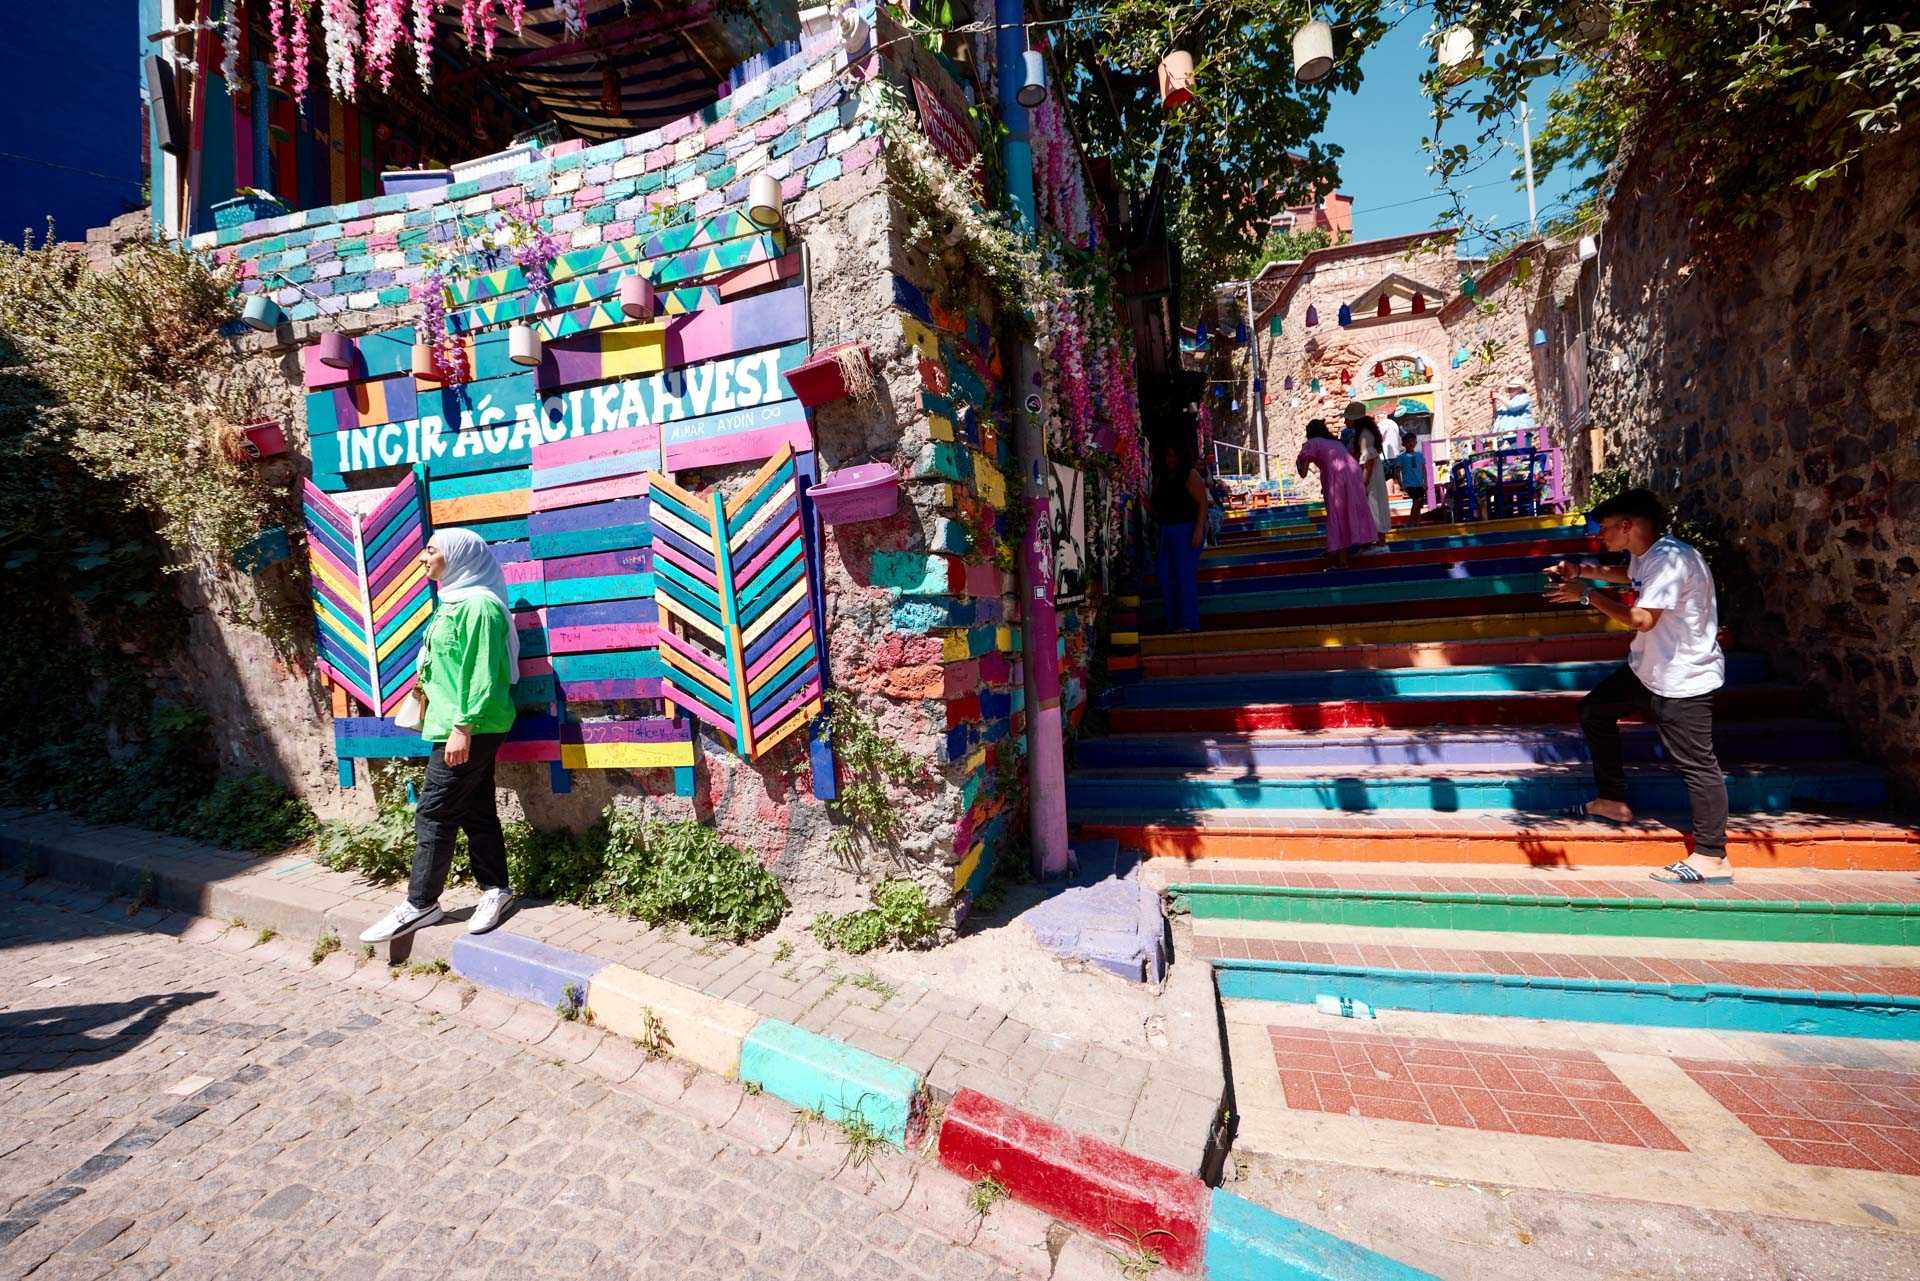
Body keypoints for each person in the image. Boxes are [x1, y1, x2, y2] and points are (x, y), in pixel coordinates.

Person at [1545, 488, 1731, 885]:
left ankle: (1713, 856)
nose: (1600, 536)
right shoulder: (1648, 555)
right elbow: (1629, 575)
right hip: (1649, 668)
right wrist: (1582, 570)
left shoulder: (1671, 561)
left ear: (1628, 526)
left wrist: (1587, 596)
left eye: (1606, 528)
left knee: (1697, 764)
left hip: (1683, 676)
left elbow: (1642, 619)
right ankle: (1612, 801)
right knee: (1595, 711)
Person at [361, 529, 522, 943]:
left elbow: (484, 673)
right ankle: (496, 889)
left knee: (433, 812)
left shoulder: (481, 607)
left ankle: (421, 904)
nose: (422, 558)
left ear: (459, 556)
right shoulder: (452, 601)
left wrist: (462, 728)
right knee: (475, 809)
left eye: (431, 550)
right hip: (455, 724)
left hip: (473, 726)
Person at [1295, 419, 1373, 570]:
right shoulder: (1335, 443)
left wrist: (1298, 463)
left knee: (1337, 515)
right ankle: (1345, 552)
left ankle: (1339, 559)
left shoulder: (1311, 444)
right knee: (1346, 513)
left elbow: (1303, 473)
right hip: (1353, 474)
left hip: (1336, 477)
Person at [1151, 440, 1209, 632]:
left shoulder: (1190, 474)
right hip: (1167, 531)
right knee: (1166, 576)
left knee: (1184, 577)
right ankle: (1174, 623)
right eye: (1168, 455)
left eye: (1174, 455)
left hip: (1186, 530)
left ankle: (1188, 624)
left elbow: (1202, 503)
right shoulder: (1163, 477)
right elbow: (1159, 509)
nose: (1171, 459)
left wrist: (1199, 529)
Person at [1345, 403, 1391, 543]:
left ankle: (1379, 543)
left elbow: (1368, 463)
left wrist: (1363, 484)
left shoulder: (1364, 435)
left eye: (1348, 418)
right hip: (1372, 475)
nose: (1345, 421)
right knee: (1375, 507)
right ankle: (1376, 542)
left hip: (1370, 478)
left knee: (1374, 506)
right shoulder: (1364, 433)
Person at [1393, 430, 1428, 523]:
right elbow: (1397, 472)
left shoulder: (1420, 455)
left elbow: (1424, 469)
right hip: (1409, 484)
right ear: (1403, 444)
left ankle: (1416, 522)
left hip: (1420, 483)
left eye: (1413, 441)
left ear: (1416, 442)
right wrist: (1401, 484)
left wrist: (1426, 482)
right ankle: (1411, 522)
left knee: (1419, 503)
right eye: (1408, 441)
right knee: (1417, 500)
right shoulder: (1401, 457)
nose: (1411, 443)